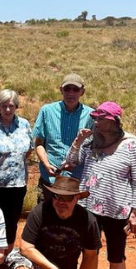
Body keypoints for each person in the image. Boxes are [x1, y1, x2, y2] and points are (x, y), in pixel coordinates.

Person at [65, 101, 136, 269]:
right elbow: (71, 162)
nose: (96, 122)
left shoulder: (130, 145)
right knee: (90, 251)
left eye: (101, 119)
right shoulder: (90, 142)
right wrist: (78, 141)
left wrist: (135, 212)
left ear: (114, 122)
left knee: (116, 255)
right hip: (88, 206)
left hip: (118, 209)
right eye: (96, 118)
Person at [0, 89, 34, 249]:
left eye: (11, 105)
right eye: (4, 106)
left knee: (11, 221)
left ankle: (7, 254)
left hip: (17, 185)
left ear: (16, 106)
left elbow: (29, 149)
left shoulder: (24, 125)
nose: (8, 109)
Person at [32, 73, 94, 203]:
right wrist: (46, 164)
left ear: (82, 92)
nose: (71, 93)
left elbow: (93, 148)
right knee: (45, 218)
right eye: (67, 89)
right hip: (50, 180)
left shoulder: (90, 115)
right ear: (61, 90)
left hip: (76, 181)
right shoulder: (47, 111)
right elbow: (39, 144)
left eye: (75, 89)